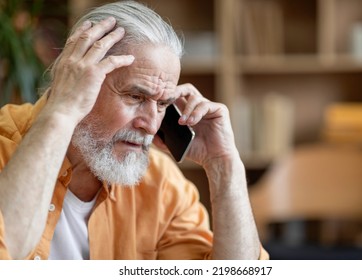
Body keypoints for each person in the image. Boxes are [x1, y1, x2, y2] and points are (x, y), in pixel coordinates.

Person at [0, 0, 268, 260]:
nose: (151, 125)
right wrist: (61, 111)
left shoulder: (162, 184)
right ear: (77, 79)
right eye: (135, 97)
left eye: (163, 103)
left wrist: (223, 165)